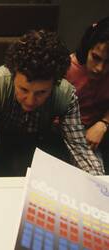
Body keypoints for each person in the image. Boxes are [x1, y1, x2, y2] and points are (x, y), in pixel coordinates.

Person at [0, 30, 104, 178]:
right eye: (23, 89)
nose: (30, 100)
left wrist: (98, 182)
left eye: (41, 92)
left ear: (55, 84)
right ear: (13, 75)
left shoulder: (66, 94)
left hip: (40, 143)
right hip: (0, 143)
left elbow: (78, 146)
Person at [66, 16, 109, 173]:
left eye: (108, 62)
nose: (99, 68)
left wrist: (103, 123)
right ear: (87, 48)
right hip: (59, 133)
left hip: (93, 134)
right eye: (96, 58)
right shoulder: (67, 67)